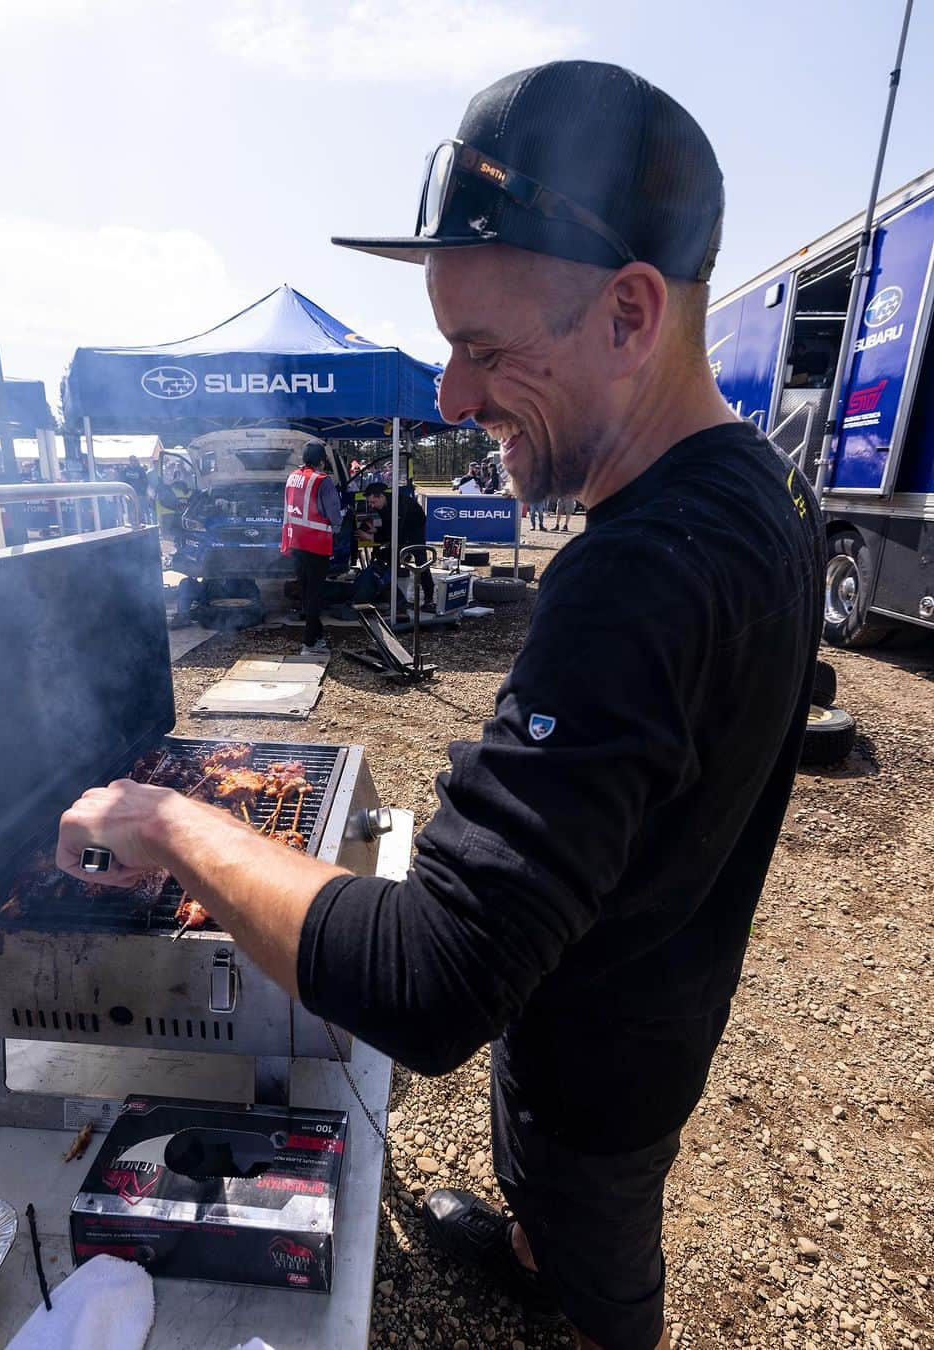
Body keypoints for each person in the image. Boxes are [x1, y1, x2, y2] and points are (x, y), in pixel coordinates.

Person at [57, 61, 823, 1350]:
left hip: (604, 1058)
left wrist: (172, 822)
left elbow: (434, 984)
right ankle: (533, 1250)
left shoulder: (634, 578)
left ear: (633, 313)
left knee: (605, 1250)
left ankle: (591, 1305)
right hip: (655, 983)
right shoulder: (764, 490)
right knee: (569, 1197)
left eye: (481, 350)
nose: (452, 400)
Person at [280, 440, 343, 655]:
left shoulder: (292, 477)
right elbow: (334, 515)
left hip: (296, 542)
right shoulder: (322, 481)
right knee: (315, 593)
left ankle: (316, 633)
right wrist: (341, 524)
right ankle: (309, 642)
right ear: (322, 461)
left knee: (306, 590)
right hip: (316, 544)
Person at [357, 480, 435, 612]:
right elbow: (388, 528)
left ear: (381, 496)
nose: (371, 506)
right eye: (369, 502)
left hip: (413, 532)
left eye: (373, 502)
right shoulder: (383, 506)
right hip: (400, 532)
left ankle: (429, 599)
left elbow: (396, 533)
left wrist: (373, 537)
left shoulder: (401, 505)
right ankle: (394, 598)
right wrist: (377, 532)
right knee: (386, 559)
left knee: (421, 564)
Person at [120, 455, 151, 521]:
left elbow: (145, 481)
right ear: (129, 461)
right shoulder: (125, 470)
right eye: (132, 460)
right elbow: (123, 481)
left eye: (135, 460)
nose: (133, 462)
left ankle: (142, 524)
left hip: (140, 495)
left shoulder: (141, 469)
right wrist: (125, 493)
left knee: (140, 512)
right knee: (131, 512)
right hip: (129, 495)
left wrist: (143, 492)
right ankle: (132, 524)